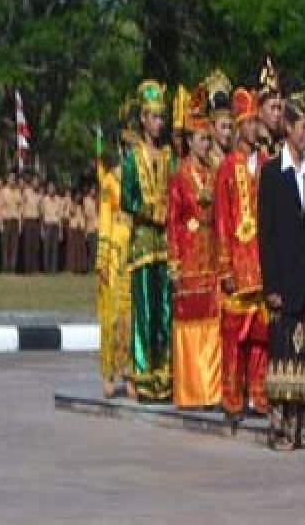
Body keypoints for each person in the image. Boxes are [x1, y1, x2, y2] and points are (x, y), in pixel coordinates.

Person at [259, 100, 305, 449]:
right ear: (288, 129)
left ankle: (301, 429)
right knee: (282, 354)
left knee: (304, 357)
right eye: (302, 126)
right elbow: (266, 234)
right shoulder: (272, 174)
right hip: (282, 282)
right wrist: (270, 284)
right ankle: (278, 428)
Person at [215, 86, 270, 426]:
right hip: (238, 261)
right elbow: (221, 219)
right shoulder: (227, 168)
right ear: (238, 127)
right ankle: (233, 396)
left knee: (260, 335)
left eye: (255, 121)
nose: (253, 128)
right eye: (247, 122)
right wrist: (225, 266)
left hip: (262, 264)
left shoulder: (266, 164)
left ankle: (259, 393)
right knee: (234, 335)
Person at [166, 87, 223, 409]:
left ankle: (211, 389)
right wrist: (173, 262)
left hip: (211, 252)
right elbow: (173, 221)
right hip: (188, 256)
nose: (206, 144)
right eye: (200, 139)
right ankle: (190, 390)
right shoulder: (179, 177)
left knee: (211, 322)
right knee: (189, 322)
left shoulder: (214, 173)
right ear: (189, 141)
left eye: (207, 139)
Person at [121, 80, 176, 403]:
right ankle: (143, 375)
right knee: (144, 310)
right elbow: (127, 198)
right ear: (142, 119)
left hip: (165, 242)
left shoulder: (168, 156)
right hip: (143, 240)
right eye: (153, 116)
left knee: (165, 309)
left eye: (161, 117)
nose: (159, 122)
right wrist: (149, 210)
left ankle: (165, 375)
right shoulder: (132, 156)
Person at [95, 138, 133, 398]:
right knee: (112, 314)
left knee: (133, 315)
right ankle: (109, 372)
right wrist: (103, 256)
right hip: (116, 248)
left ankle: (132, 372)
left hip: (137, 246)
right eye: (127, 148)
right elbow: (106, 219)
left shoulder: (142, 179)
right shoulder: (110, 181)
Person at [204, 69, 234, 168]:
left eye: (230, 127)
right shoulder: (205, 161)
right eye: (223, 127)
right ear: (212, 127)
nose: (228, 133)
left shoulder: (234, 159)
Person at [256, 57, 284, 161]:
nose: (277, 114)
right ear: (259, 111)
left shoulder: (282, 146)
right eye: (273, 108)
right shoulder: (253, 148)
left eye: (279, 108)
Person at [0, 173, 22, 273]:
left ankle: (12, 268)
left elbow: (20, 208)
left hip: (15, 221)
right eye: (10, 179)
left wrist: (20, 224)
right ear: (7, 180)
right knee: (5, 246)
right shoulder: (3, 191)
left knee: (14, 246)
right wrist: (0, 223)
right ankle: (5, 268)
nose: (12, 181)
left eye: (13, 179)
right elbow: (0, 208)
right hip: (6, 221)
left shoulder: (18, 192)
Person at [21, 175, 42, 274]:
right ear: (32, 183)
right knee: (28, 245)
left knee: (35, 245)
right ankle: (27, 268)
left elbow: (40, 209)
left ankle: (34, 268)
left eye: (37, 182)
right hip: (28, 220)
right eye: (34, 181)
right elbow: (22, 206)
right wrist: (22, 221)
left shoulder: (39, 194)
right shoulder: (26, 192)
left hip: (36, 221)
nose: (36, 183)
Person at [64, 188, 88, 273]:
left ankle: (81, 268)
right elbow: (70, 214)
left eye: (80, 195)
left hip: (81, 228)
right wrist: (74, 204)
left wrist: (84, 228)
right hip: (73, 228)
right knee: (73, 249)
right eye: (77, 195)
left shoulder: (82, 206)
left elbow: (85, 217)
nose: (78, 196)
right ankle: (73, 268)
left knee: (81, 248)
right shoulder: (71, 204)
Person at [83, 186, 99, 271]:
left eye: (94, 190)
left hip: (98, 227)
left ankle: (96, 268)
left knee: (97, 249)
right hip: (90, 228)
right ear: (90, 191)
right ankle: (91, 268)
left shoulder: (98, 200)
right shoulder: (86, 200)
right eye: (92, 190)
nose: (93, 191)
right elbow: (86, 214)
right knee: (92, 249)